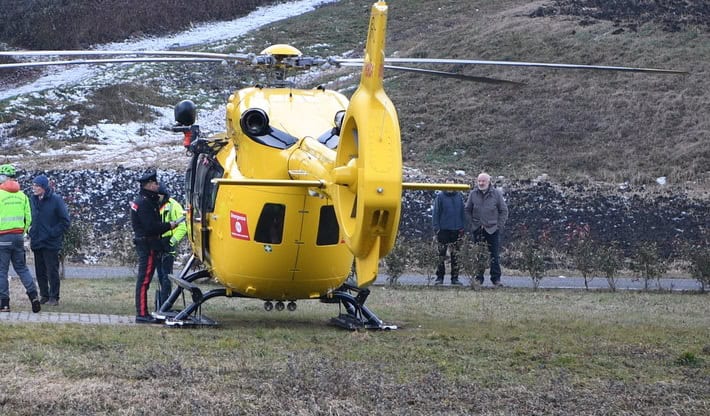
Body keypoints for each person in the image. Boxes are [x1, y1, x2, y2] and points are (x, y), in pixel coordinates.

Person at [130, 170, 180, 324]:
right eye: (155, 183)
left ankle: (143, 312)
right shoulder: (145, 203)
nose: (158, 186)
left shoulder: (144, 200)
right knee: (144, 280)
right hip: (148, 244)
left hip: (148, 243)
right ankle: (142, 314)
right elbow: (150, 227)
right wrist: (169, 225)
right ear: (150, 185)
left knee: (144, 279)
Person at [0, 164, 41, 313]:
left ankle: (4, 304)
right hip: (18, 237)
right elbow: (29, 218)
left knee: (2, 272)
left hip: (2, 238)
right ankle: (33, 296)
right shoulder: (22, 196)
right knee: (22, 268)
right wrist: (21, 232)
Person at [29, 174, 71, 306]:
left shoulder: (56, 200)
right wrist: (30, 231)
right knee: (40, 271)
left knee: (52, 270)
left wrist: (52, 233)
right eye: (33, 185)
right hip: (37, 241)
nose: (34, 188)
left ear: (44, 187)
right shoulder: (32, 200)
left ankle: (54, 297)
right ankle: (44, 295)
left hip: (50, 242)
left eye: (37, 186)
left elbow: (65, 221)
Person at [465, 172, 509, 287]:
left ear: (489, 182)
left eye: (483, 181)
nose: (481, 183)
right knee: (479, 255)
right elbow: (467, 210)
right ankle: (478, 278)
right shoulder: (473, 194)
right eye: (479, 181)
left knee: (494, 255)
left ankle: (496, 279)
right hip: (478, 229)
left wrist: (499, 226)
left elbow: (503, 211)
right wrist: (472, 224)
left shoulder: (496, 194)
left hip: (492, 229)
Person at [155, 184, 187, 307]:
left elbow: (183, 227)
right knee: (160, 276)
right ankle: (162, 302)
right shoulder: (155, 206)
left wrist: (171, 241)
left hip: (168, 247)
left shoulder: (174, 206)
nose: (156, 198)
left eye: (158, 196)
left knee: (166, 276)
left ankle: (165, 304)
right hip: (158, 246)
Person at [431, 181, 466, 286]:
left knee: (455, 255)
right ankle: (439, 277)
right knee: (441, 254)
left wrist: (462, 227)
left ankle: (455, 278)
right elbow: (435, 212)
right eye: (447, 184)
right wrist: (436, 228)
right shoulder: (440, 197)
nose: (449, 186)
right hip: (443, 230)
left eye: (451, 184)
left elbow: (462, 212)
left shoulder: (459, 197)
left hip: (456, 230)